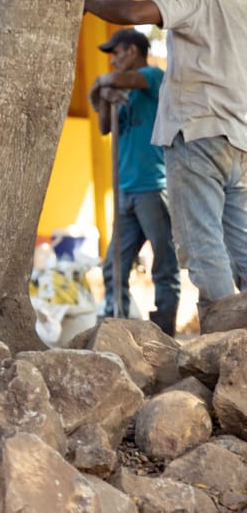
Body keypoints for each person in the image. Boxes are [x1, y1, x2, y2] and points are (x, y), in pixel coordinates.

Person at [84, 0, 247, 320]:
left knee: (202, 244)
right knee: (241, 246)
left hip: (197, 134)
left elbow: (137, 11)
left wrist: (83, 2)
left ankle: (225, 340)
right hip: (238, 138)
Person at [88, 27, 180, 335]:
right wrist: (104, 99)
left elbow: (122, 79)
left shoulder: (152, 77)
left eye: (116, 54)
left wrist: (102, 83)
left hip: (153, 186)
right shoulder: (122, 92)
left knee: (164, 265)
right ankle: (120, 329)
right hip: (125, 189)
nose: (112, 62)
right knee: (113, 266)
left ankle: (164, 331)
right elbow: (104, 127)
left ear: (132, 51)